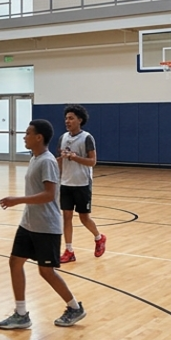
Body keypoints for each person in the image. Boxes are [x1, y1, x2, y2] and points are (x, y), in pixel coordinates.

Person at [0, 118, 87, 330]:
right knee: (15, 262)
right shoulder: (35, 159)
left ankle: (74, 307)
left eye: (28, 133)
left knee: (46, 271)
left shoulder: (47, 161)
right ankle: (21, 314)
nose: (24, 137)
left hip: (46, 227)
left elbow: (49, 194)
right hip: (28, 224)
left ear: (39, 137)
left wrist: (17, 200)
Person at [58, 104, 104, 263]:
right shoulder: (63, 138)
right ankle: (69, 250)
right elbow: (61, 160)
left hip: (82, 183)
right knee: (66, 217)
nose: (67, 121)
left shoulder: (87, 138)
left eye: (71, 118)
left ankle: (99, 237)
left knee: (84, 218)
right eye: (66, 118)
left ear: (80, 120)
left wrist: (74, 157)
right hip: (66, 183)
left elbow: (93, 161)